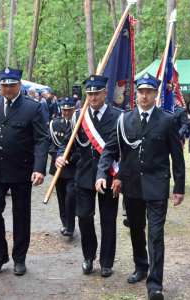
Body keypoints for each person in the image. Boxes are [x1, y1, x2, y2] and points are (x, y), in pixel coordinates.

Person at [96, 72, 185, 300]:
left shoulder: (167, 119)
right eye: (141, 92)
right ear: (136, 94)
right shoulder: (124, 119)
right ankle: (141, 266)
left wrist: (179, 187)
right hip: (132, 185)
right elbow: (111, 150)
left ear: (156, 95)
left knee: (155, 234)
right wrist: (103, 173)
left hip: (157, 185)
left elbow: (177, 155)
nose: (144, 96)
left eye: (148, 92)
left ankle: (155, 285)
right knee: (136, 229)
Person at [0, 67, 48, 276]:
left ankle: (19, 258)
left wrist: (39, 169)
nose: (7, 88)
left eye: (12, 84)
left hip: (22, 170)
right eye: (4, 85)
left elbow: (41, 139)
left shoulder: (32, 107)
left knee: (21, 215)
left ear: (19, 85)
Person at [56, 75, 121, 278]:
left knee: (108, 220)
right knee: (84, 217)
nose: (92, 97)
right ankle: (88, 257)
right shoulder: (78, 116)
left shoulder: (118, 116)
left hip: (109, 175)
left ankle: (107, 262)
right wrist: (60, 156)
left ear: (105, 93)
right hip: (83, 175)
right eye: (89, 94)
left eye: (96, 93)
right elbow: (66, 143)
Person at [49, 96, 79, 236]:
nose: (67, 112)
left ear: (75, 108)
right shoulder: (54, 124)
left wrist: (71, 157)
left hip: (73, 165)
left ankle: (70, 225)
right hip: (58, 166)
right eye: (64, 109)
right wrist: (58, 157)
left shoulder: (79, 123)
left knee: (71, 196)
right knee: (61, 197)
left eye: (70, 109)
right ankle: (65, 222)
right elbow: (49, 143)